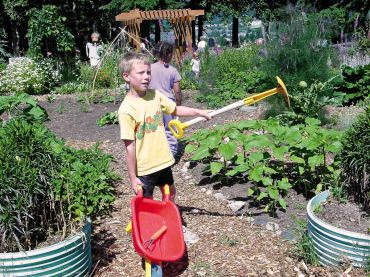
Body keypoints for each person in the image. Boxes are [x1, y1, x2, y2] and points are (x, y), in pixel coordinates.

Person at [118, 52, 211, 200]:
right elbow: (130, 146)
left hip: (163, 160)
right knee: (146, 202)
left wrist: (198, 112)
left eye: (148, 72)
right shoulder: (126, 109)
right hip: (145, 168)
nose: (146, 76)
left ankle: (168, 219)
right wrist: (132, 177)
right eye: (141, 73)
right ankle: (148, 223)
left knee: (170, 193)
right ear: (126, 76)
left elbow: (175, 109)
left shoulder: (155, 95)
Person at [149, 41, 182, 156]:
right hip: (168, 103)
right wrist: (178, 106)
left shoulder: (149, 68)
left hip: (152, 102)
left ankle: (156, 153)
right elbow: (177, 91)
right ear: (168, 54)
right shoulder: (172, 70)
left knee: (154, 128)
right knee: (170, 129)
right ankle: (171, 154)